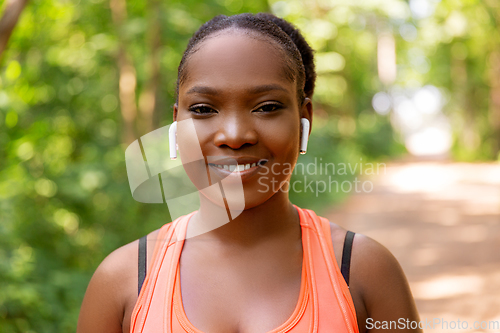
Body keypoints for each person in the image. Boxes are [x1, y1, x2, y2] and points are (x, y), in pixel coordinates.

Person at [77, 13, 422, 333]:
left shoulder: (365, 272)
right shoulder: (122, 282)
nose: (235, 135)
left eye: (267, 107)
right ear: (176, 125)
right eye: (203, 109)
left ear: (306, 120)